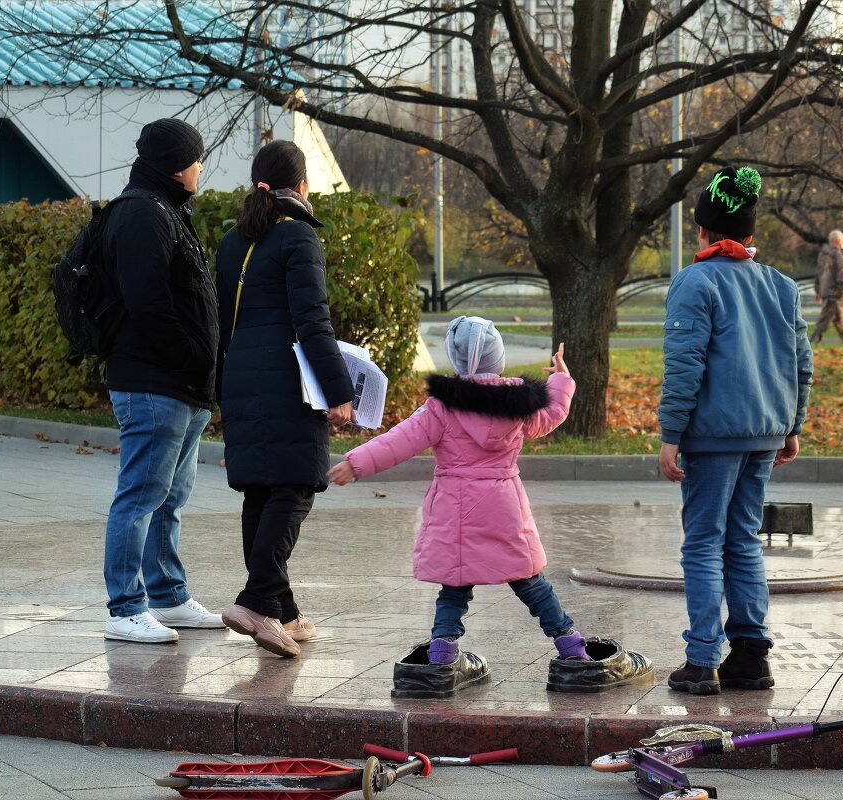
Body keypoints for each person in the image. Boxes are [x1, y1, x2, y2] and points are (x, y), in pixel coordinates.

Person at [327, 318, 652, 697]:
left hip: (455, 510)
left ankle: (442, 658)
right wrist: (561, 379)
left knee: (454, 587)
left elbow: (400, 440)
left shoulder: (441, 407)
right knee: (531, 582)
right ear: (498, 358)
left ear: (456, 362)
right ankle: (572, 650)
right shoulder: (518, 404)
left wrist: (356, 462)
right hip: (504, 507)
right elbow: (552, 415)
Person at [659, 165, 813, 695]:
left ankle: (702, 660)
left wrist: (670, 433)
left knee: (702, 540)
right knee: (743, 538)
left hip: (713, 435)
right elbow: (801, 363)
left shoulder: (695, 281)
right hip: (765, 433)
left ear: (702, 230)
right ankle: (750, 654)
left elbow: (684, 365)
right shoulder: (782, 286)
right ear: (750, 233)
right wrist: (792, 425)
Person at [215, 141, 355, 659]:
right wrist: (340, 390)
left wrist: (219, 395)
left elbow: (220, 326)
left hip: (240, 379)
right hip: (287, 383)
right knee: (295, 486)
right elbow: (312, 320)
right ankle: (255, 602)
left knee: (262, 492)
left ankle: (287, 613)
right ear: (302, 187)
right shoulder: (298, 236)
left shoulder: (232, 242)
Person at [101, 118, 225, 642]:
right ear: (177, 163)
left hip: (181, 386)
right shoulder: (139, 215)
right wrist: (194, 356)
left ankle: (167, 596)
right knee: (140, 497)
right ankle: (125, 608)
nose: (200, 168)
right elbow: (147, 303)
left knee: (170, 498)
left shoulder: (165, 209)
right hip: (154, 383)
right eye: (196, 158)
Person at [810, 229, 843, 345]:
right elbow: (842, 276)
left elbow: (818, 274)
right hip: (833, 292)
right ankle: (811, 341)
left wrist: (818, 290)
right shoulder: (839, 256)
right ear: (839, 241)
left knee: (837, 319)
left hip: (825, 291)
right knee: (824, 321)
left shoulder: (822, 255)